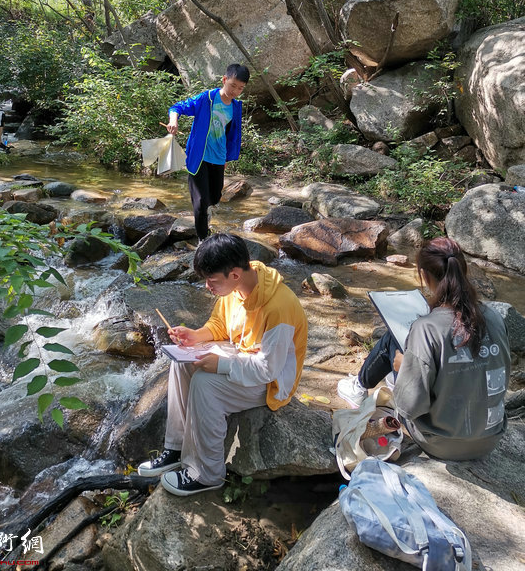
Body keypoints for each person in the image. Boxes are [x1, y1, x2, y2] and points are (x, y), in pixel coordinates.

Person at [137, 233, 308, 496]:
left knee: (206, 384)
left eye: (211, 280)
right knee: (182, 362)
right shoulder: (237, 288)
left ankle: (206, 474)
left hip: (273, 382)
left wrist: (222, 366)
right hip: (243, 358)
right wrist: (195, 336)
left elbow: (268, 369)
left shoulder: (279, 307)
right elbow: (219, 325)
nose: (207, 286)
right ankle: (176, 448)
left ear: (235, 274)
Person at [337, 237, 510, 461]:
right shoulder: (494, 316)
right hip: (490, 438)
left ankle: (359, 386)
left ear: (425, 276)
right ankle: (374, 381)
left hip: (442, 443)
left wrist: (404, 367)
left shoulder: (427, 328)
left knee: (393, 339)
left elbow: (409, 407)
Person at [166, 64, 249, 240]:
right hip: (199, 156)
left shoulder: (235, 107)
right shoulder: (207, 98)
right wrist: (174, 120)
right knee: (201, 201)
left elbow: (229, 133)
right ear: (224, 80)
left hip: (219, 157)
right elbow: (178, 107)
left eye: (240, 88)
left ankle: (204, 216)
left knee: (215, 197)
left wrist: (227, 157)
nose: (235, 91)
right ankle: (203, 239)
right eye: (233, 85)